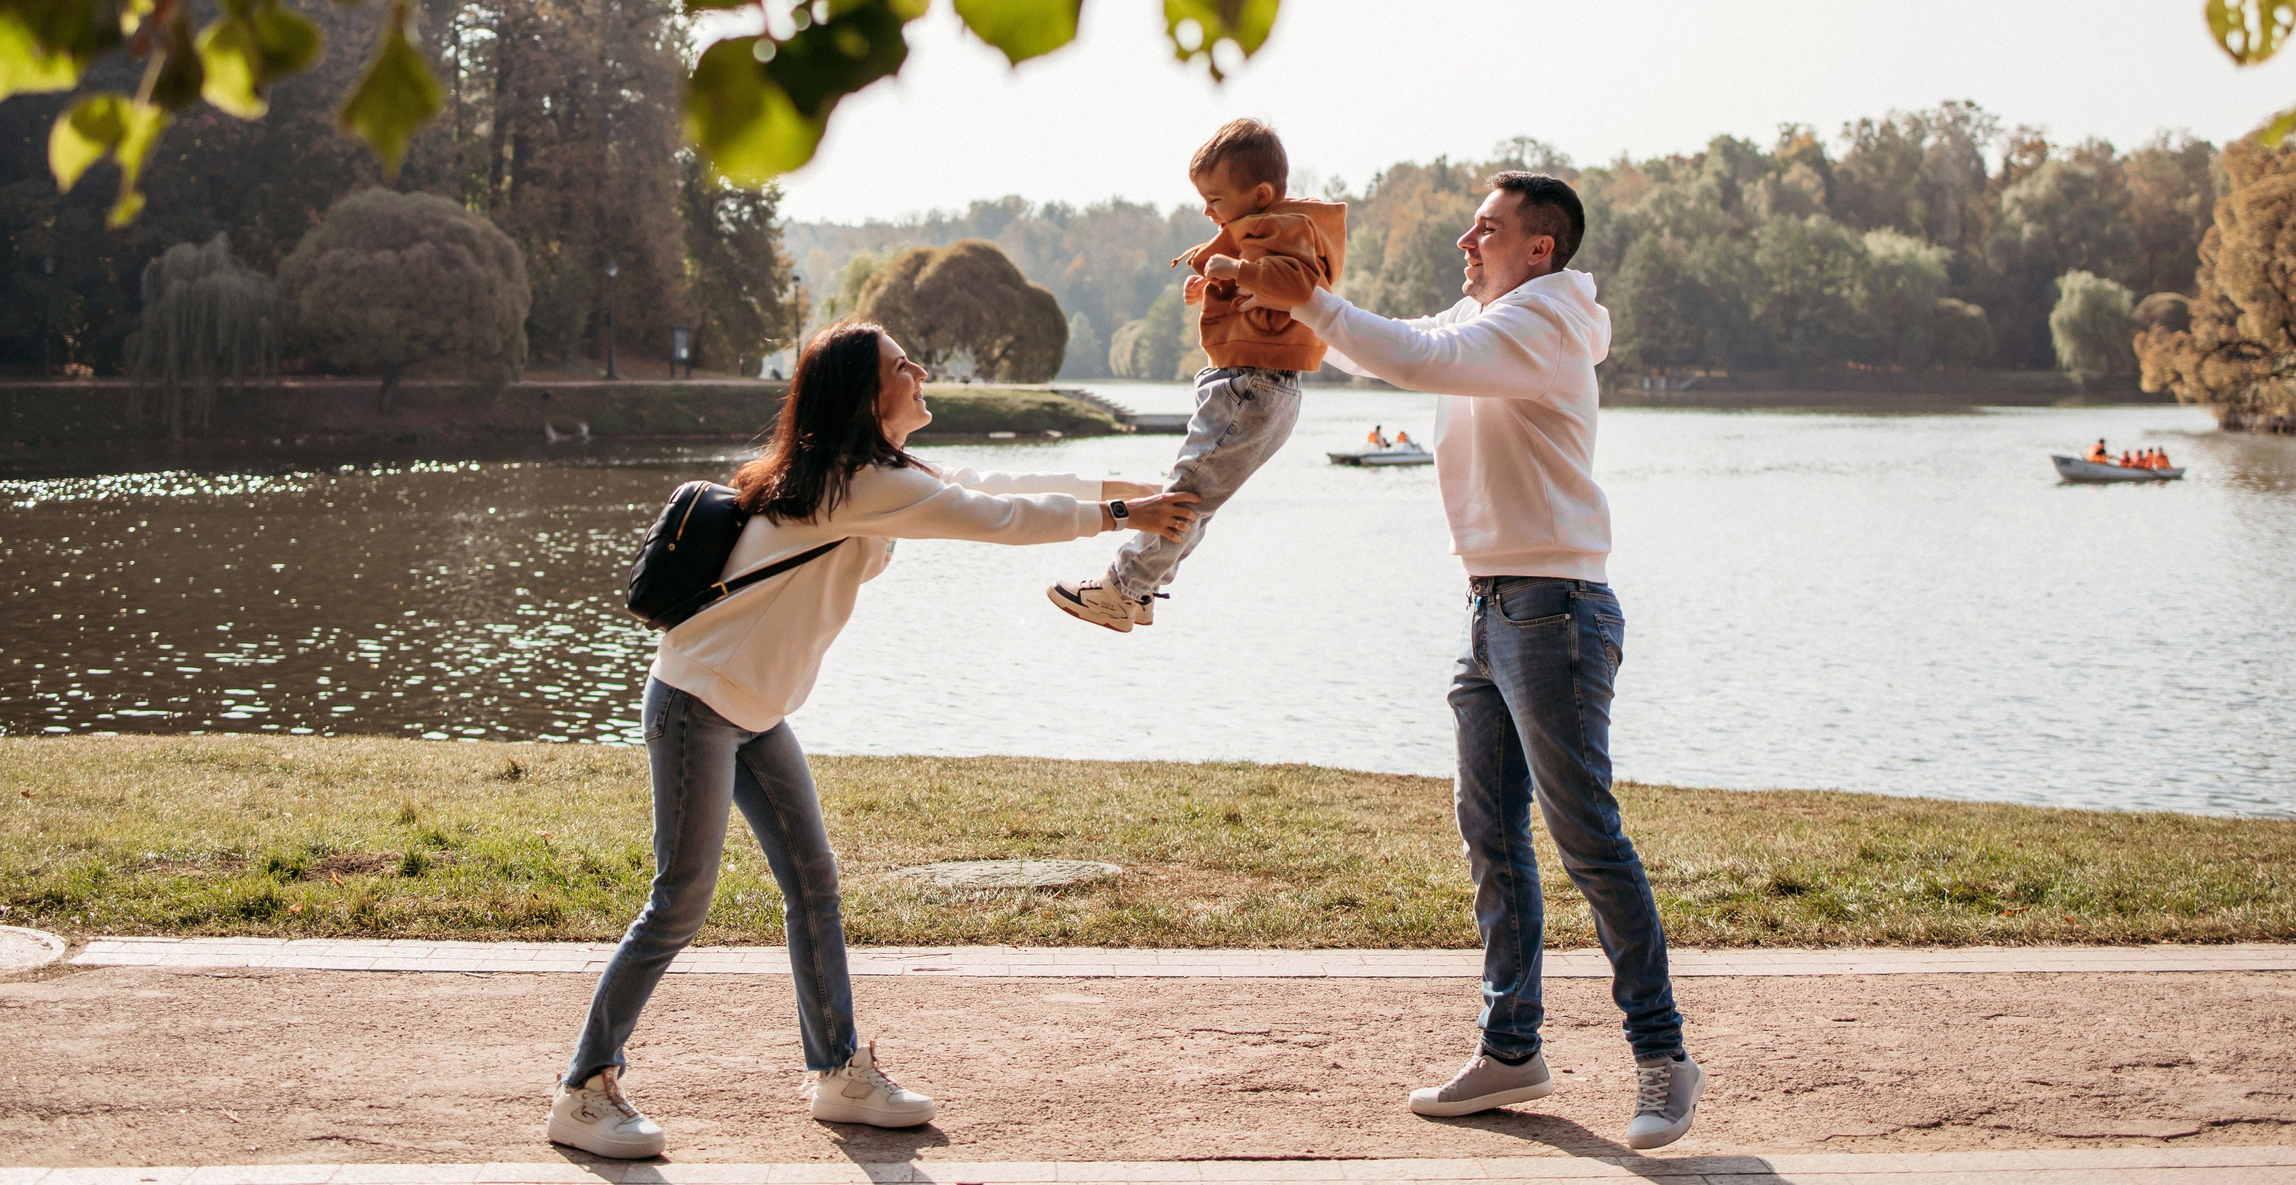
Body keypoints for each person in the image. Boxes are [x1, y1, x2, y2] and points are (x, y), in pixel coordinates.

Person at [548, 322, 1197, 1158]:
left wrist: (1127, 488)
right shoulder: (846, 484)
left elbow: (991, 482)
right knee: (681, 898)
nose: (921, 370)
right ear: (866, 395)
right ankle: (584, 1087)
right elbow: (994, 517)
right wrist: (1118, 513)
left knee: (813, 883)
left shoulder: (878, 475)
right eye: (901, 365)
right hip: (699, 700)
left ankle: (837, 1073)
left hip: (754, 708)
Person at [1242, 170, 1705, 1152]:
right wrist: (1256, 273)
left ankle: (1662, 1055)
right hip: (1491, 608)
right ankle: (1510, 1050)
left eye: (1486, 227)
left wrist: (1311, 302)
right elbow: (1393, 344)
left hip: (1554, 610)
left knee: (1586, 837)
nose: (1466, 237)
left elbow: (1412, 356)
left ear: (1539, 248)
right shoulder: (1488, 317)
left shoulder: (1542, 324)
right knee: (1492, 835)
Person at [1047, 118, 1345, 632]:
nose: (1207, 212)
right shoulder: (1263, 229)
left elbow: (1296, 284)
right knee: (1198, 496)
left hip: (1250, 381)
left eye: (1215, 200)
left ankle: (1120, 588)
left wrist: (1234, 273)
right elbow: (1264, 284)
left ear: (1261, 194)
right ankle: (1142, 590)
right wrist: (1214, 286)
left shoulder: (1282, 229)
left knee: (1183, 492)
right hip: (1262, 384)